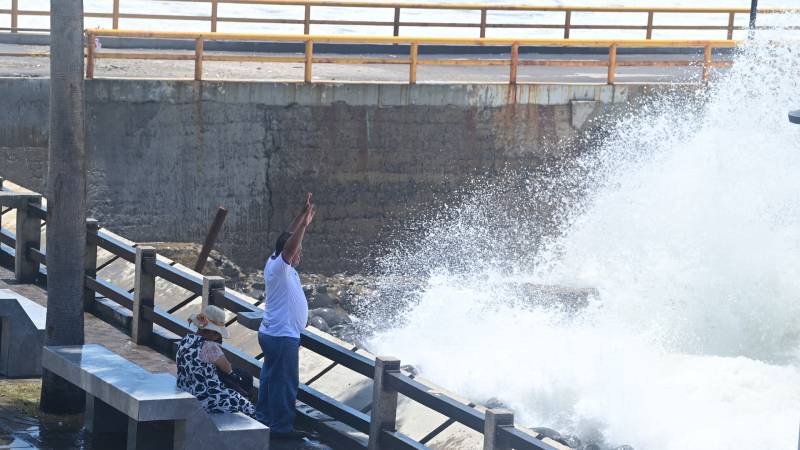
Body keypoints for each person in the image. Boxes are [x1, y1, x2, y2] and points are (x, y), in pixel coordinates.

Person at [255, 193, 315, 439]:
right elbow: (289, 246)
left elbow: (285, 238)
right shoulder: (280, 266)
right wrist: (302, 226)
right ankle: (281, 429)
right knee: (285, 384)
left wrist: (302, 217)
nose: (299, 254)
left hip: (271, 333)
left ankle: (264, 418)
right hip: (281, 336)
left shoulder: (273, 261)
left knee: (270, 379)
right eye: (297, 251)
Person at [176, 305, 256, 417]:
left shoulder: (186, 339)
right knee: (248, 407)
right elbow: (228, 369)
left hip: (185, 387)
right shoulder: (210, 347)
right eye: (218, 334)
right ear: (213, 333)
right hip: (205, 396)